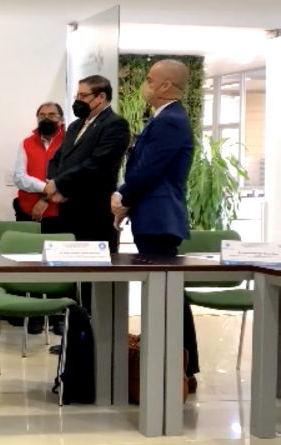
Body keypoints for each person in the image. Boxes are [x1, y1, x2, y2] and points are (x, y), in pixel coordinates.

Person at [111, 59, 199, 391]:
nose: (144, 85)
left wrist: (122, 197)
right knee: (168, 294)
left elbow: (146, 170)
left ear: (164, 86)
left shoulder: (171, 121)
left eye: (149, 79)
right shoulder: (162, 118)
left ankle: (180, 369)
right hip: (151, 215)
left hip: (160, 217)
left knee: (168, 296)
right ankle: (182, 367)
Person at [45, 75, 130, 309]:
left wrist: (61, 185)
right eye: (77, 96)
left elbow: (97, 165)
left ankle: (94, 327)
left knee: (93, 282)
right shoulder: (75, 126)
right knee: (71, 276)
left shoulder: (115, 125)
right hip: (68, 210)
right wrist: (54, 185)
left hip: (94, 213)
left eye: (83, 96)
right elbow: (57, 159)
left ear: (101, 97)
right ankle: (73, 326)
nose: (78, 101)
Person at [11, 102, 67, 335]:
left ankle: (58, 315)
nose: (46, 118)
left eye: (52, 115)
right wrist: (45, 188)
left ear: (61, 119)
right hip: (27, 211)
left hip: (59, 213)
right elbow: (19, 177)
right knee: (30, 262)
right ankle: (33, 314)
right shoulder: (26, 143)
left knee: (57, 264)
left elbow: (68, 176)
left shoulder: (70, 141)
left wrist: (45, 199)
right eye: (42, 115)